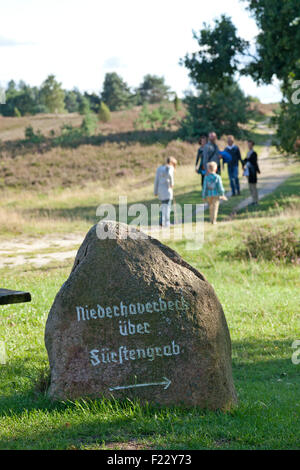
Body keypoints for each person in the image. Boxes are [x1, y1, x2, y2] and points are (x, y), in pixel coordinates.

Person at [154, 156, 177, 227]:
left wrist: (155, 191)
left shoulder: (159, 169)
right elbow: (170, 174)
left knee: (163, 206)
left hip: (160, 190)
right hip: (167, 190)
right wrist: (172, 184)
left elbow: (156, 180)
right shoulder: (170, 168)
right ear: (172, 163)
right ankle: (166, 223)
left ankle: (161, 221)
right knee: (167, 207)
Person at [243, 140, 260, 205]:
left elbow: (254, 162)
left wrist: (258, 170)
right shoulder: (248, 153)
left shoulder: (254, 153)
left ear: (252, 145)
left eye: (250, 145)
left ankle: (256, 200)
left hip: (253, 172)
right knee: (250, 187)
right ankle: (253, 200)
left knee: (254, 187)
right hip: (248, 171)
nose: (249, 146)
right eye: (248, 145)